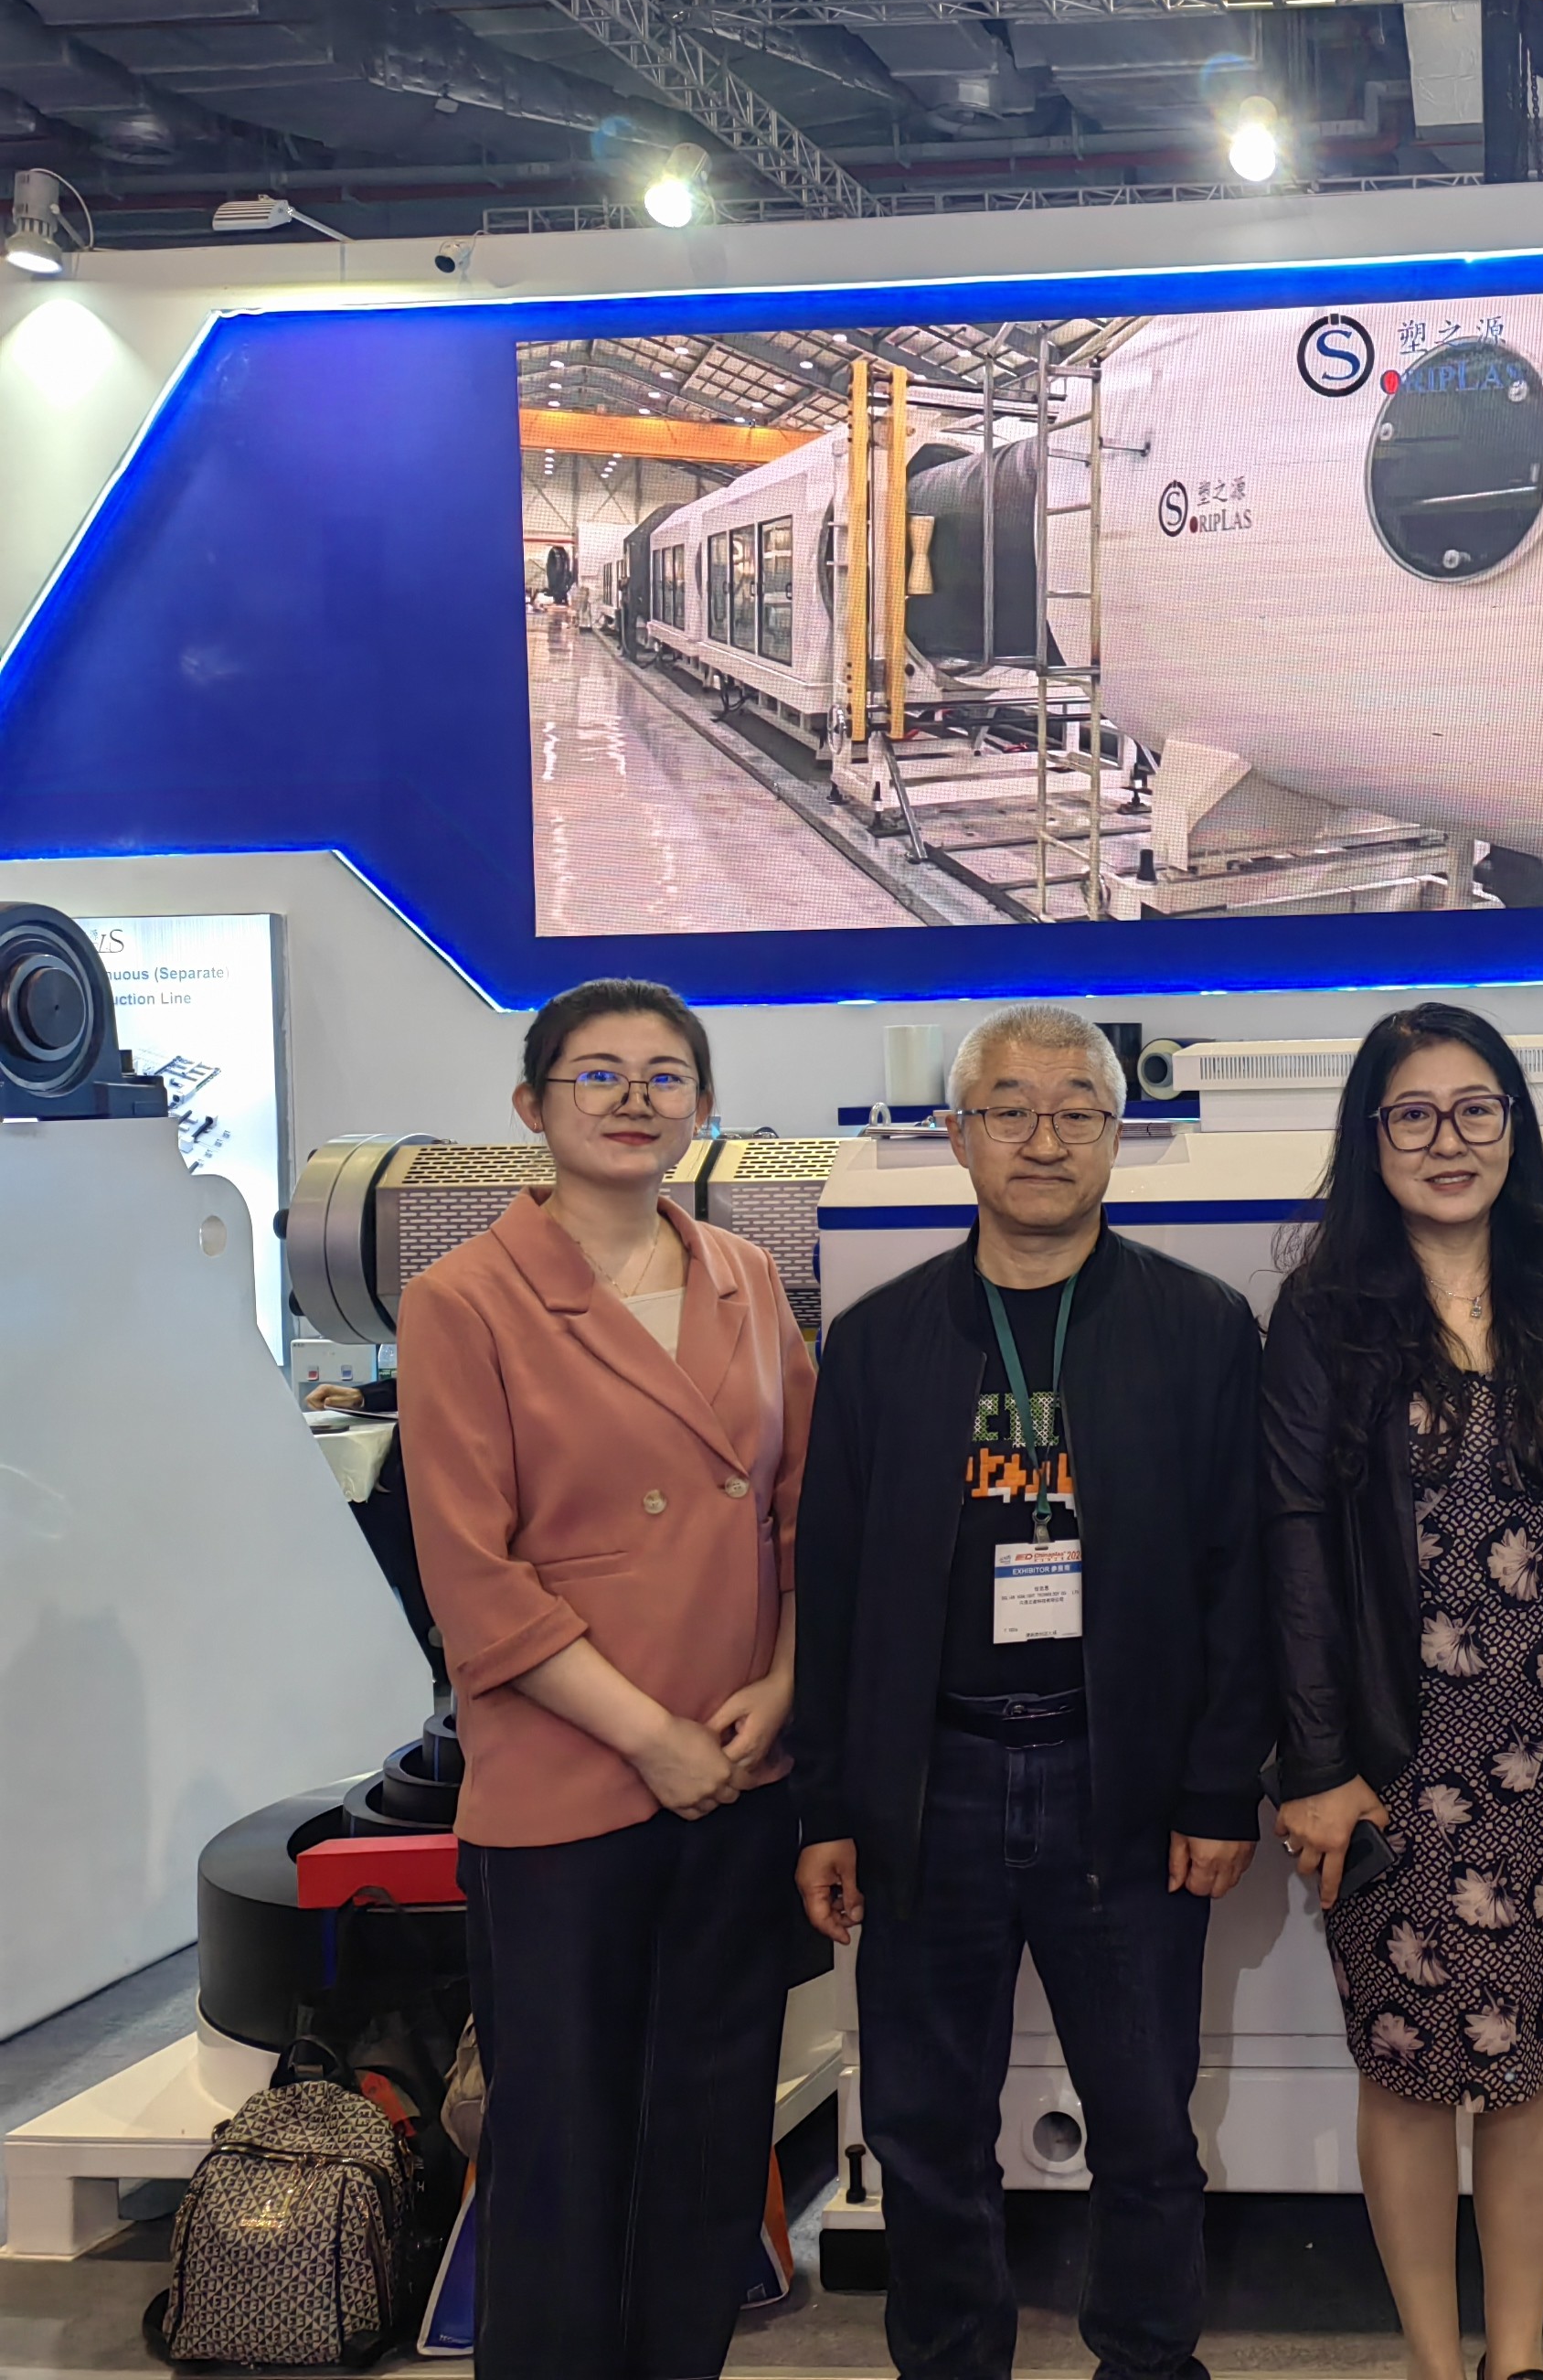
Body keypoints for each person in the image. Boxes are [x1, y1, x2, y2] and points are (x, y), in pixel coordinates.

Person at [790, 1005, 1270, 2380]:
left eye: (1077, 1111)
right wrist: (828, 1806)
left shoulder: (1199, 1329)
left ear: (1120, 1138)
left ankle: (1148, 2360)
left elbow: (1240, 1577)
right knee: (926, 2127)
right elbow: (831, 1587)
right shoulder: (879, 1343)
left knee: (1147, 2125)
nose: (1043, 1139)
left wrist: (1216, 1787)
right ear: (959, 1136)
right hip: (930, 1785)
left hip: (1122, 1782)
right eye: (1009, 1109)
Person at [398, 978, 811, 2380]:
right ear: (533, 1105)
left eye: (665, 1075)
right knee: (562, 2150)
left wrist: (785, 1682)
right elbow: (475, 1578)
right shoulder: (464, 1301)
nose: (635, 1099)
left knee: (709, 2139)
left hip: (737, 1777)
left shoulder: (746, 1280)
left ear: (705, 1106)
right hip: (570, 1786)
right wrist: (652, 1738)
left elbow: (805, 1510)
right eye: (599, 1074)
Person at [1266, 1004, 1543, 2380]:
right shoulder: (1324, 1317)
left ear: (1514, 1128)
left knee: (1538, 2056)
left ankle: (1516, 2356)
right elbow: (1295, 1546)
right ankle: (1436, 2360)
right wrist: (1318, 1765)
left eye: (1477, 1109)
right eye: (1414, 1114)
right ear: (1371, 1139)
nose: (1449, 1140)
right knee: (1408, 2064)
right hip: (1394, 1759)